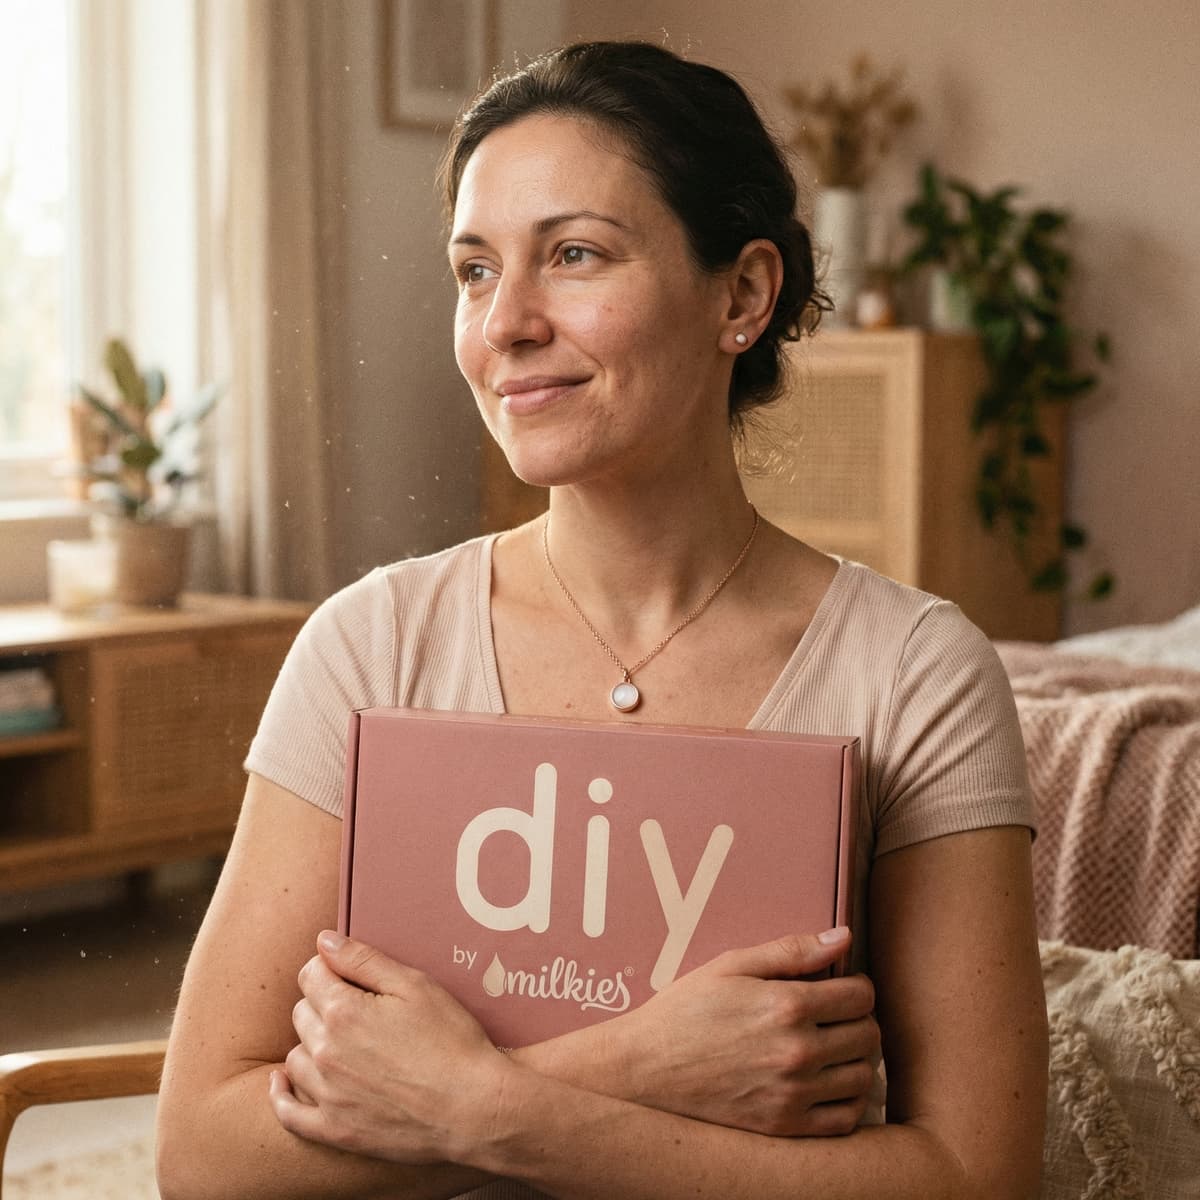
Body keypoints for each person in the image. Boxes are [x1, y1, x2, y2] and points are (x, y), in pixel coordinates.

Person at [156, 40, 1047, 1200]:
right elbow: (202, 1156)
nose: (506, 323)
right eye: (474, 271)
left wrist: (472, 1103)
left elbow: (979, 1177)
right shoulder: (369, 644)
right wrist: (639, 1066)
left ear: (741, 294)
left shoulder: (915, 673)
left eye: (573, 255)